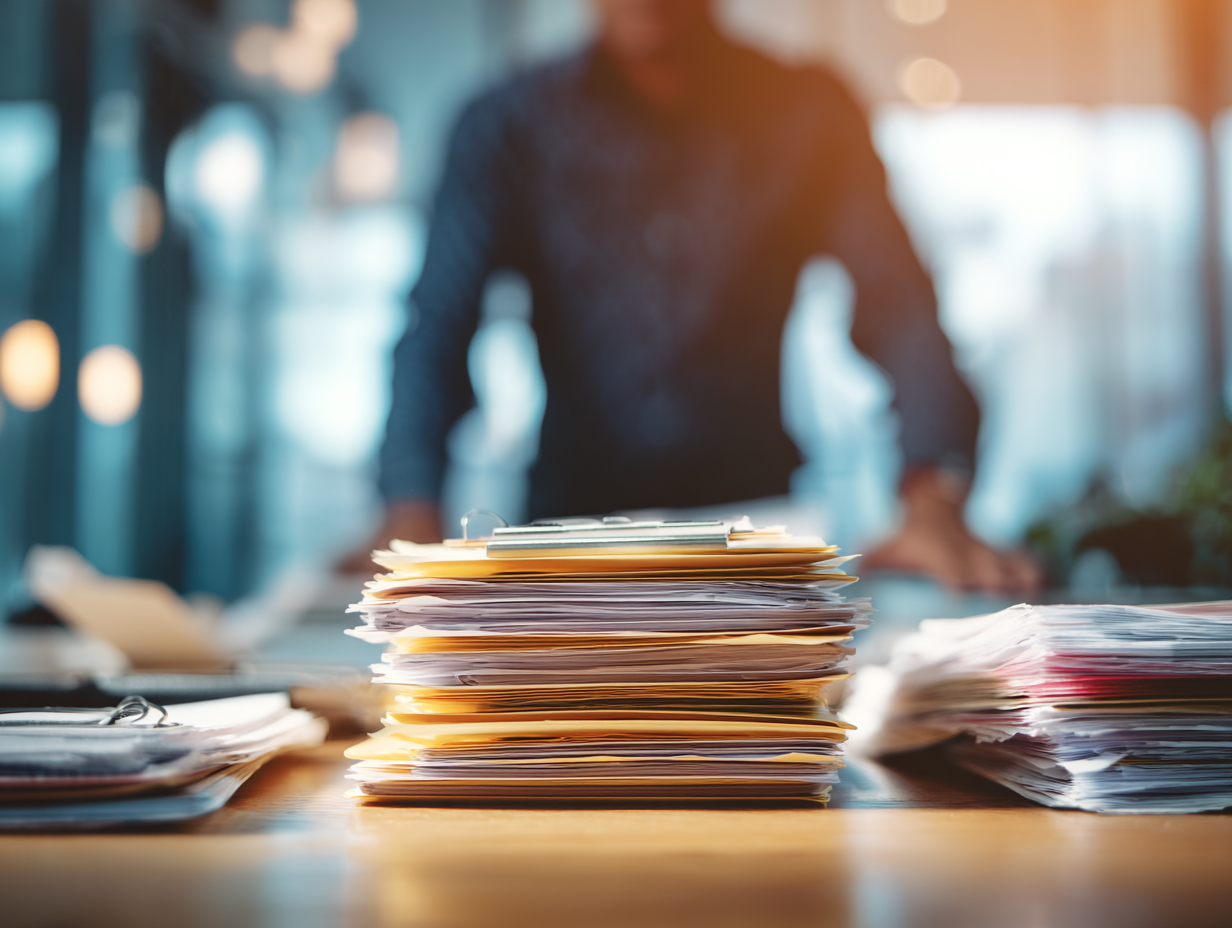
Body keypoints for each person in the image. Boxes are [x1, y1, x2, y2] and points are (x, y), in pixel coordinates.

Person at [359, 0, 1040, 592]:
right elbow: (439, 327)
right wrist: (410, 516)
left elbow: (899, 309)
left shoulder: (808, 112)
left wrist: (932, 504)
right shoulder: (504, 125)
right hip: (566, 550)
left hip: (757, 547)